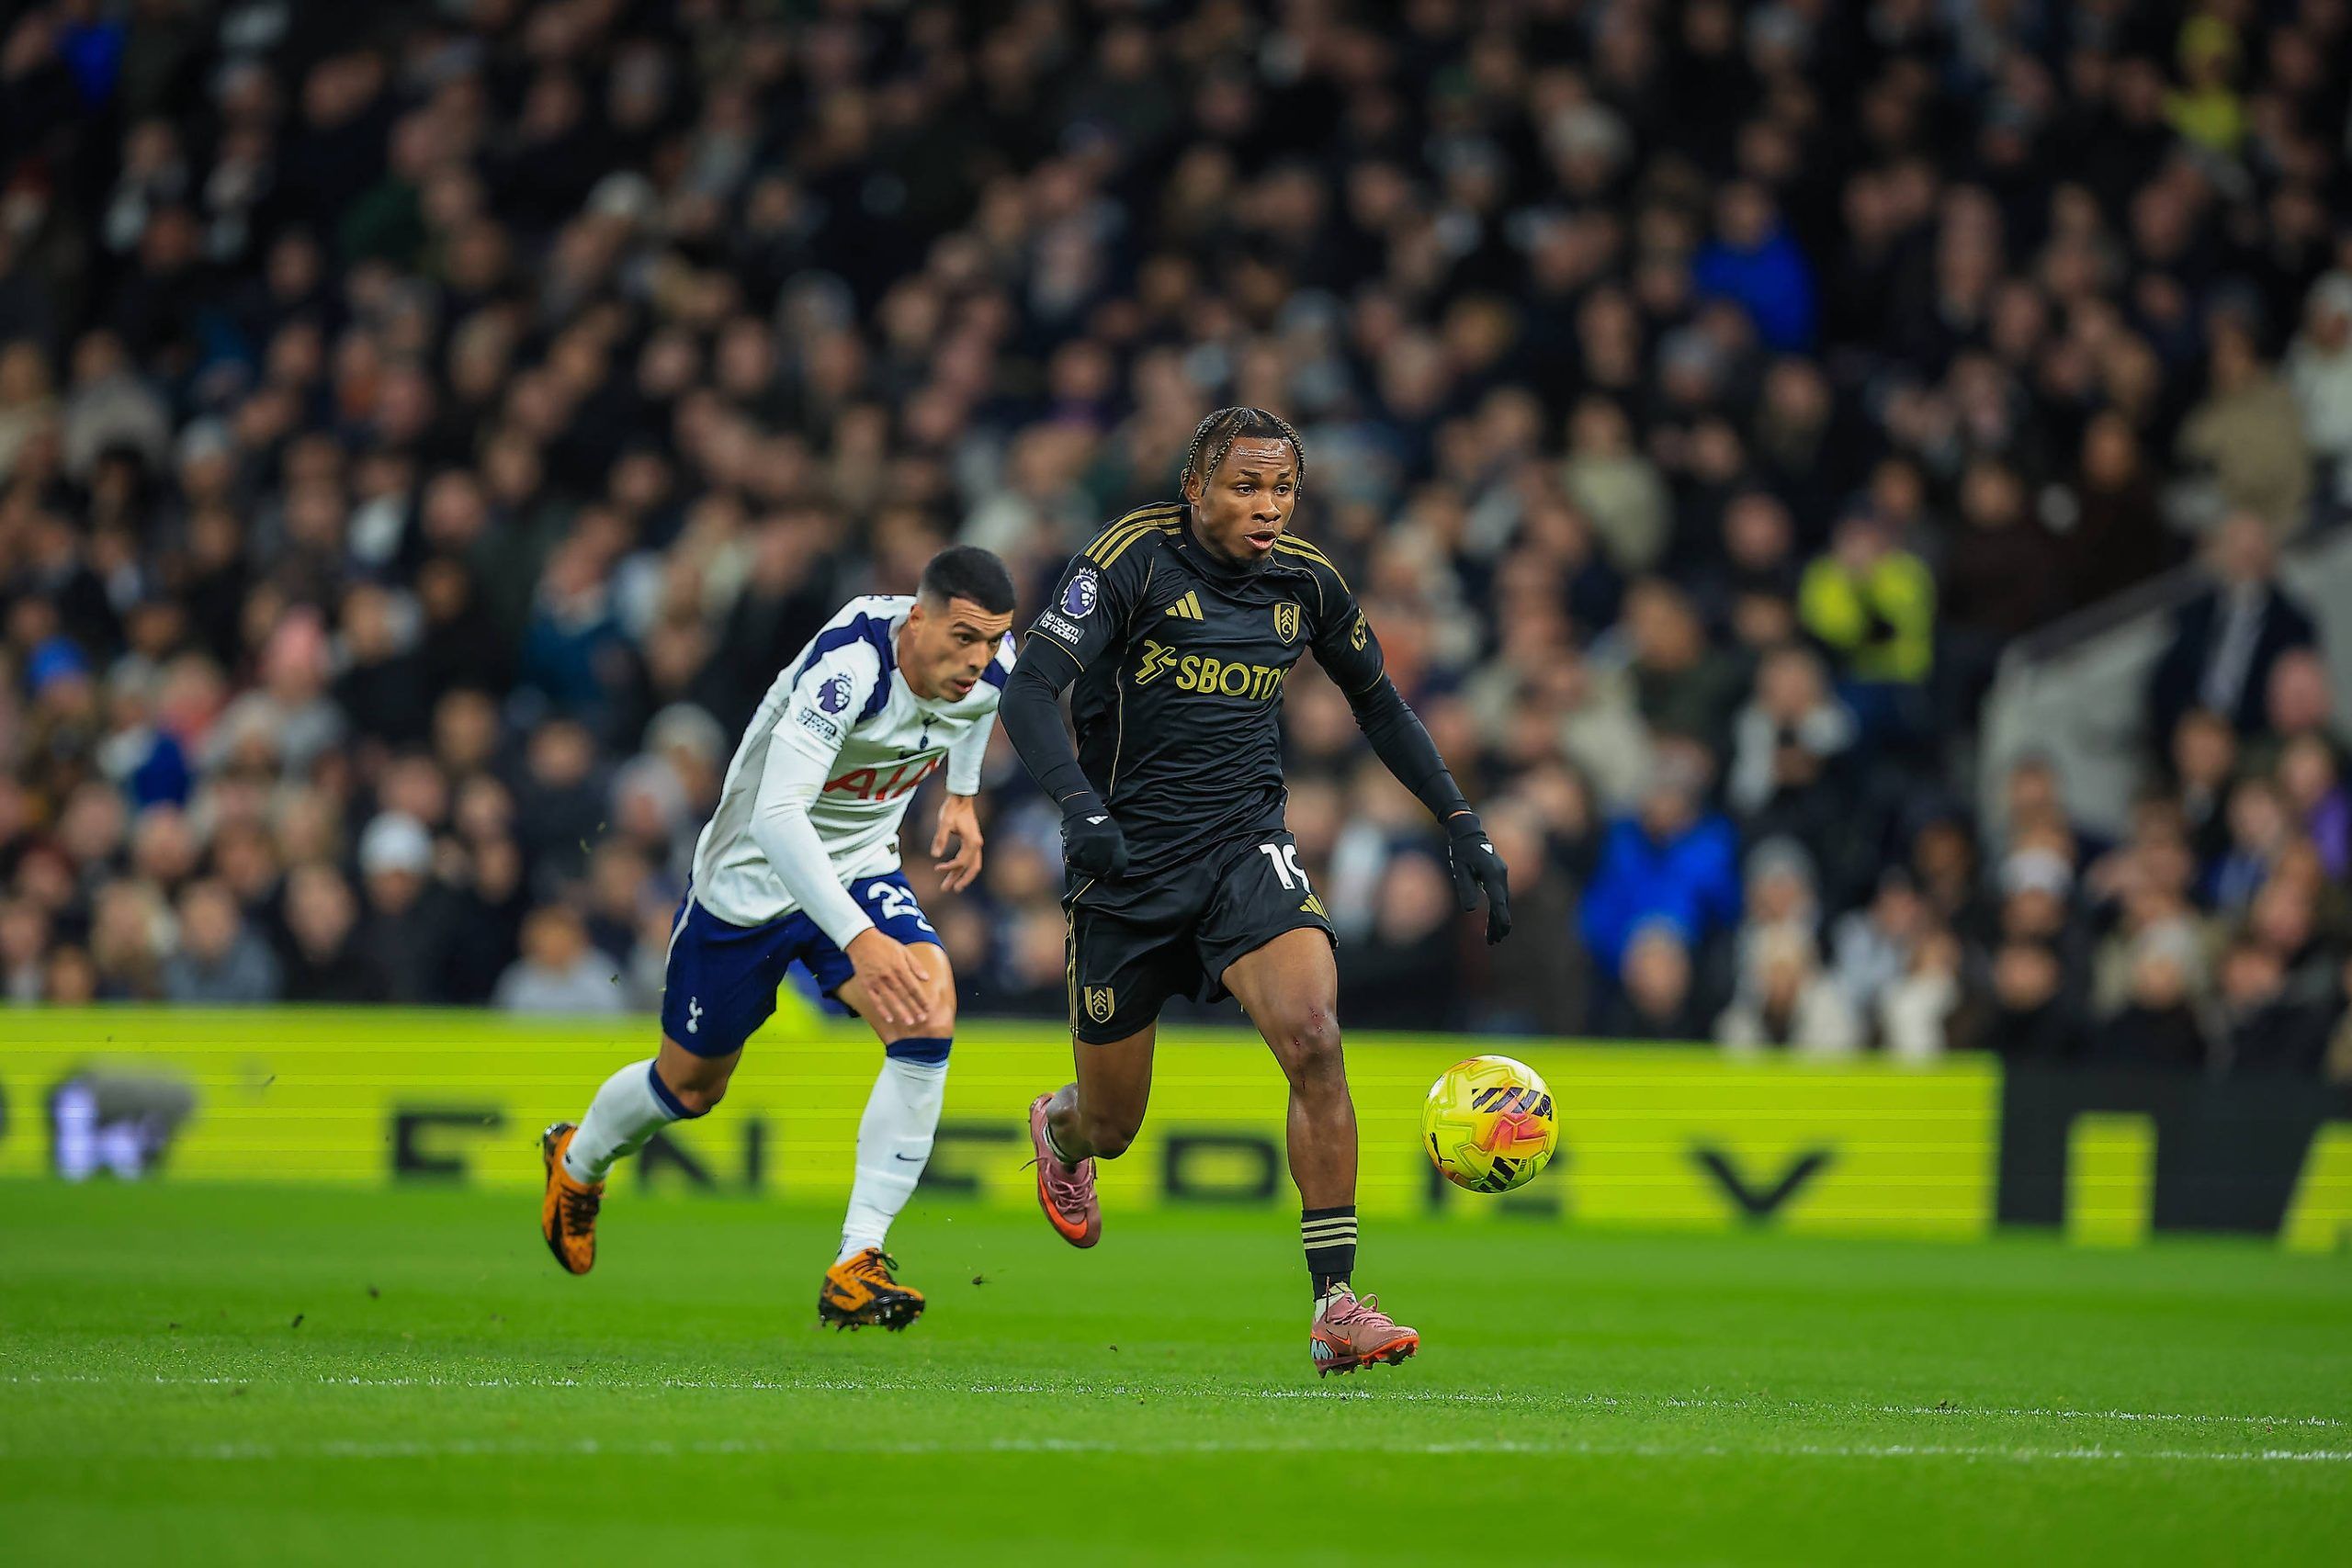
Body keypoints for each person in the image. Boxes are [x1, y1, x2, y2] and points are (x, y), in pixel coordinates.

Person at [997, 407, 1510, 1377]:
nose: (1268, 507)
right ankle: (1058, 1129)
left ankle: (1336, 1305)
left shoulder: (1306, 581)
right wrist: (1078, 809)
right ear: (1194, 488)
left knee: (1315, 1038)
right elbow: (1029, 690)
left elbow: (1380, 705)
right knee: (1111, 1124)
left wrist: (1463, 825)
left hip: (1245, 852)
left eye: (1282, 489)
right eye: (1246, 487)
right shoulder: (1127, 560)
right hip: (1124, 867)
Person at [537, 547, 1018, 1333]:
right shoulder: (850, 665)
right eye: (964, 637)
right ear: (918, 617)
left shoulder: (991, 665)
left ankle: (856, 1259)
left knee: (928, 1010)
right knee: (690, 1086)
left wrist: (960, 797)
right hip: (750, 881)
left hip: (859, 865)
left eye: (993, 640)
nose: (979, 659)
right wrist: (859, 938)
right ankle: (578, 1160)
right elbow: (776, 815)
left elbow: (979, 707)